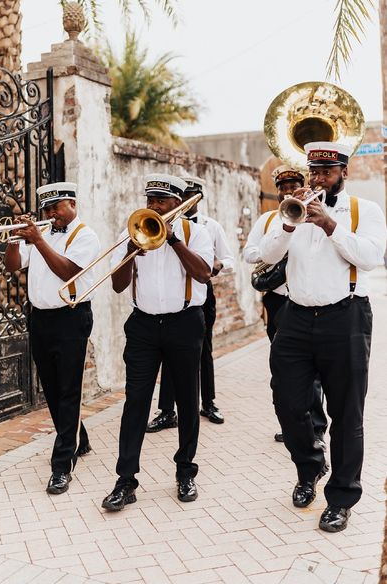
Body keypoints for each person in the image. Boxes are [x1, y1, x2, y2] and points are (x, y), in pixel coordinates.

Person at [259, 142, 386, 532]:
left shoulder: (365, 211)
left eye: (325, 172)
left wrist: (329, 223)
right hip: (295, 318)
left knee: (347, 413)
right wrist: (288, 222)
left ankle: (342, 497)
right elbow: (264, 254)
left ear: (343, 173)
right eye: (313, 171)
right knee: (288, 403)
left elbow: (370, 257)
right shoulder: (290, 210)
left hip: (345, 317)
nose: (317, 179)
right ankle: (311, 466)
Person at [101, 173, 213, 511]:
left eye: (161, 201)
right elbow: (118, 285)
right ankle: (126, 480)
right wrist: (131, 252)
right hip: (143, 326)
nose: (153, 206)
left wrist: (174, 240)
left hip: (185, 322)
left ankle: (185, 471)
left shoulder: (196, 232)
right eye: (150, 200)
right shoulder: (132, 231)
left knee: (187, 399)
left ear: (177, 204)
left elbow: (204, 273)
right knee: (135, 401)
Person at [4, 181, 100, 495]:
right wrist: (14, 239)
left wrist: (39, 240)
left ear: (72, 203)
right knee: (53, 388)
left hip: (71, 318)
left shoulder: (85, 236)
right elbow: (13, 265)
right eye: (47, 209)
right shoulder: (41, 234)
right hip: (41, 318)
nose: (51, 214)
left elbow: (66, 271)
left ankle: (62, 466)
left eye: (56, 207)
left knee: (69, 390)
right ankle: (79, 438)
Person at [243, 165, 327, 446]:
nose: (287, 190)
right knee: (284, 369)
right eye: (283, 186)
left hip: (305, 298)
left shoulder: (313, 217)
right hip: (279, 301)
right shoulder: (269, 219)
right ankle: (292, 424)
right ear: (278, 191)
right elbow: (249, 252)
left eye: (293, 184)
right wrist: (276, 248)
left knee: (313, 371)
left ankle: (316, 427)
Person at [147, 175, 234, 431]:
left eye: (190, 195)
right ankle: (166, 411)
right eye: (182, 195)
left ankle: (208, 402)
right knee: (166, 354)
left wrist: (217, 265)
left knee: (204, 349)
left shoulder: (210, 226)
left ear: (198, 197)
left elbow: (229, 259)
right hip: (169, 293)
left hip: (199, 291)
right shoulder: (160, 221)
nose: (185, 200)